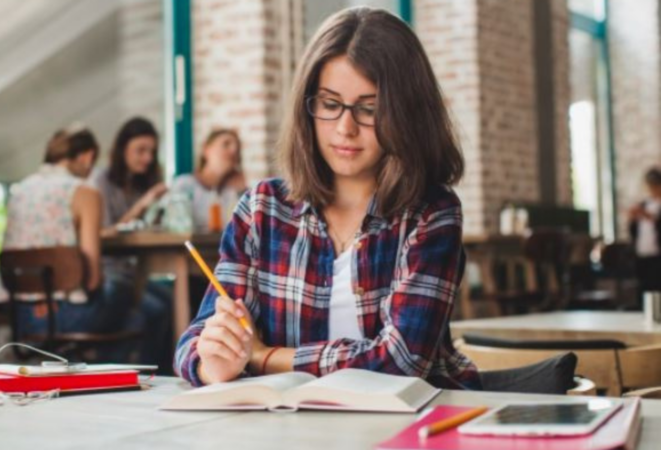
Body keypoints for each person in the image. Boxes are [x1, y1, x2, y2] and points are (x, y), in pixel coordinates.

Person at [174, 7, 481, 390]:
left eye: (369, 109)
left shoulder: (431, 213)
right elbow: (193, 343)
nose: (345, 128)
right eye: (330, 104)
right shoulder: (262, 209)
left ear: (407, 114)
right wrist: (215, 363)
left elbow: (403, 361)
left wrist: (264, 357)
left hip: (409, 427)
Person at [2, 124, 141, 362]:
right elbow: (93, 279)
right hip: (68, 316)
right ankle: (103, 381)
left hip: (21, 316)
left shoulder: (20, 190)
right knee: (137, 310)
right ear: (87, 157)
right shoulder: (85, 192)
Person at [89, 117, 172, 371]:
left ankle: (160, 373)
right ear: (122, 149)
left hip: (137, 272)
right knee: (156, 309)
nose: (147, 158)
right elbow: (102, 233)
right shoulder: (100, 181)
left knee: (175, 302)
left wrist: (157, 209)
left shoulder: (141, 183)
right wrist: (143, 204)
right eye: (141, 150)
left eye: (151, 152)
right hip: (109, 273)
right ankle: (146, 373)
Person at [168, 129, 247, 233]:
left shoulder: (234, 191)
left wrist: (242, 192)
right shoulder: (184, 185)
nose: (233, 150)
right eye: (226, 144)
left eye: (237, 149)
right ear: (206, 149)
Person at [629, 167, 661, 295]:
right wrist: (633, 219)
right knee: (644, 287)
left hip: (658, 254)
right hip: (642, 252)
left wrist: (651, 217)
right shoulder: (643, 204)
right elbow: (634, 230)